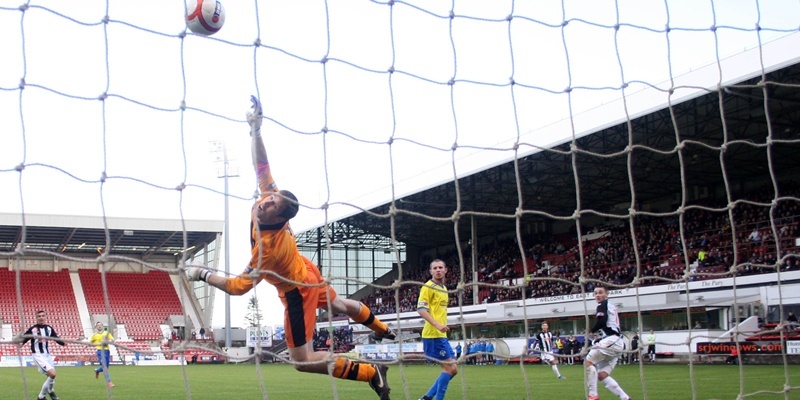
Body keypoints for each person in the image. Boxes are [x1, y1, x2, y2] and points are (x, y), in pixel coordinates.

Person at [187, 96, 392, 400]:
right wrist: (255, 130)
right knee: (341, 305)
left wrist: (203, 273)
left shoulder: (268, 251)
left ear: (280, 217)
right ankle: (382, 327)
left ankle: (370, 373)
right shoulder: (268, 200)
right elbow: (262, 165)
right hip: (306, 270)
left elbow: (238, 286)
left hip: (297, 290)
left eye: (271, 205)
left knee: (303, 361)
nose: (265, 202)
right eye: (269, 198)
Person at [416, 259, 457, 400]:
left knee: (453, 369)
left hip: (440, 334)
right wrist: (437, 324)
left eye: (440, 267)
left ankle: (426, 398)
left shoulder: (444, 289)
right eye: (435, 268)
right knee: (450, 368)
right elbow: (421, 309)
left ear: (446, 270)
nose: (438, 270)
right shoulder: (427, 287)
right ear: (431, 271)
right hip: (432, 334)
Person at [584, 286, 631, 400]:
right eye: (595, 293)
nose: (597, 295)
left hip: (611, 341)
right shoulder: (611, 305)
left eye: (600, 293)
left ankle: (593, 396)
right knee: (602, 375)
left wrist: (590, 331)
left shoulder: (602, 304)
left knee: (588, 362)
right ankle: (625, 398)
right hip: (617, 343)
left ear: (607, 294)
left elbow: (602, 320)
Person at [22, 310, 65, 400]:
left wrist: (64, 343)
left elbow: (56, 338)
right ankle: (42, 396)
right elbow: (24, 339)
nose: (41, 317)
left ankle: (48, 392)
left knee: (51, 377)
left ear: (45, 317)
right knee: (52, 375)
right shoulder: (33, 329)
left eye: (42, 316)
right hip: (38, 355)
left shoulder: (49, 328)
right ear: (36, 318)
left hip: (47, 355)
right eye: (39, 316)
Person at [89, 322, 115, 388]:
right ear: (96, 327)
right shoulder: (94, 335)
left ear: (102, 326)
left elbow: (112, 339)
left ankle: (97, 370)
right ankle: (109, 382)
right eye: (98, 325)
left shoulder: (106, 333)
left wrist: (109, 341)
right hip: (100, 351)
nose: (99, 326)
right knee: (105, 367)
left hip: (106, 351)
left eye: (100, 325)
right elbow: (91, 343)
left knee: (106, 367)